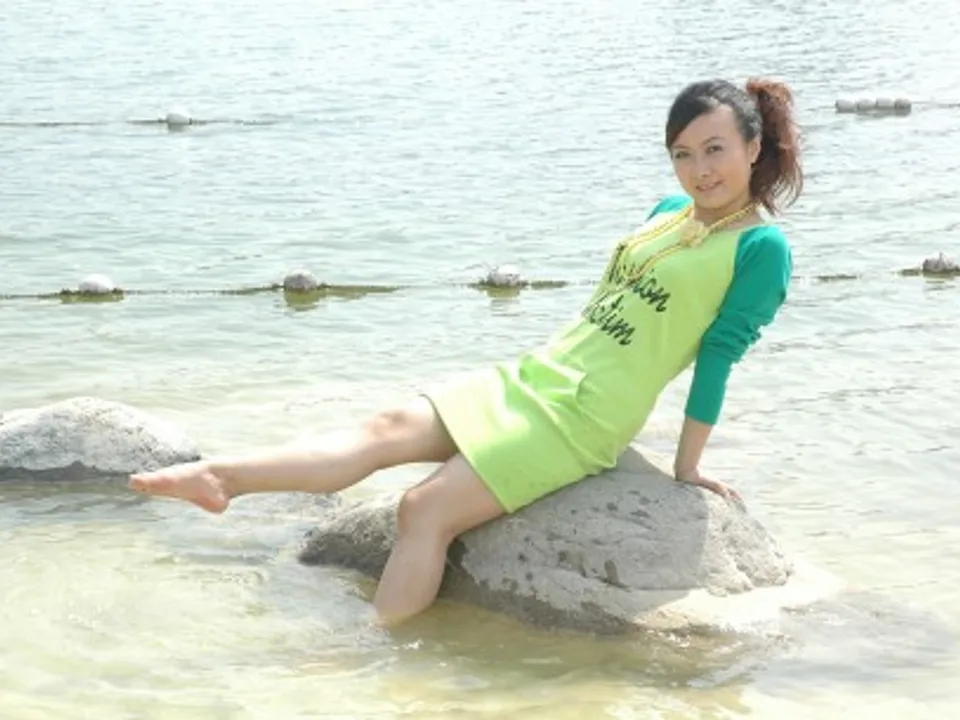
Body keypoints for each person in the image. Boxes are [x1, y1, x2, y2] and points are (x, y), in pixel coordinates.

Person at [129, 77, 804, 627]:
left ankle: (367, 653)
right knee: (382, 428)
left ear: (753, 147)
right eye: (682, 154)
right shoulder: (665, 213)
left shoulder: (760, 248)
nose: (698, 170)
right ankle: (223, 478)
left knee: (422, 510)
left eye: (714, 149)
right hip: (535, 375)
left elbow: (719, 358)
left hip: (584, 416)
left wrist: (688, 467)